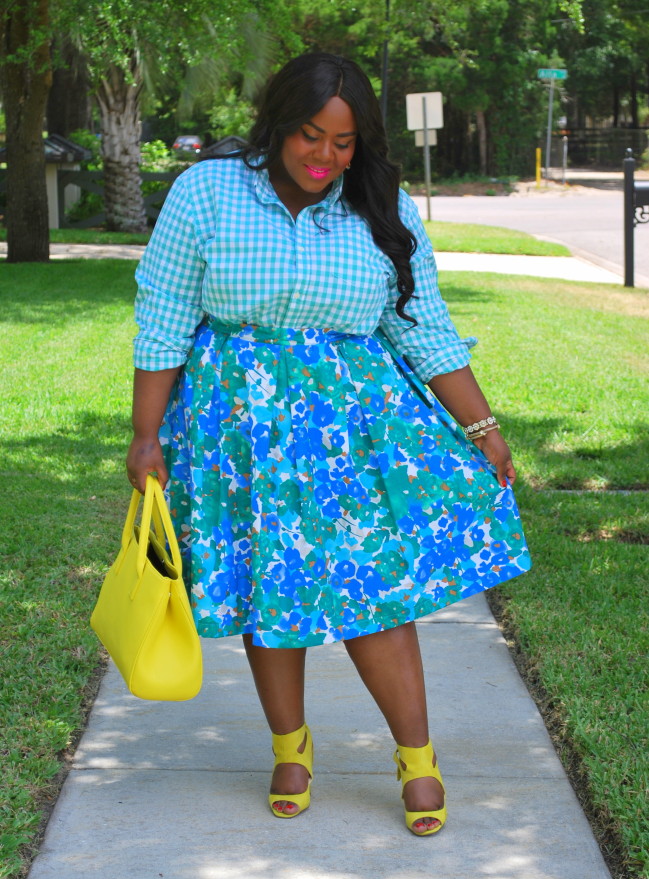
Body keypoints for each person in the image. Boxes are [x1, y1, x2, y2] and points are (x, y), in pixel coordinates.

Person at [127, 52, 531, 836]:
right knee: (263, 587)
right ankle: (291, 743)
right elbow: (165, 310)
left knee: (372, 589)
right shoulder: (206, 192)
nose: (325, 158)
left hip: (347, 434)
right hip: (234, 431)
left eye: (343, 144)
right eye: (312, 136)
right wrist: (147, 436)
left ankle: (417, 754)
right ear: (279, 123)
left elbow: (424, 327)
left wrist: (482, 426)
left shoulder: (381, 203)